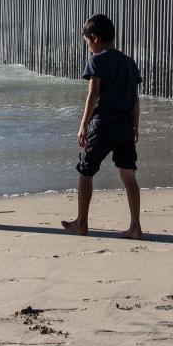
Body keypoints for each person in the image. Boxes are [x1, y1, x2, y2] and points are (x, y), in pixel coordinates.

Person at [62, 14, 144, 240]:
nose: (88, 47)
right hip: (126, 126)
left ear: (95, 38)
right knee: (129, 175)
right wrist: (136, 126)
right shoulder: (129, 62)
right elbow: (135, 99)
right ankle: (135, 226)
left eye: (87, 42)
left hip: (103, 124)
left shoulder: (97, 60)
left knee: (85, 170)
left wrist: (83, 124)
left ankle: (81, 223)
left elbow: (94, 93)